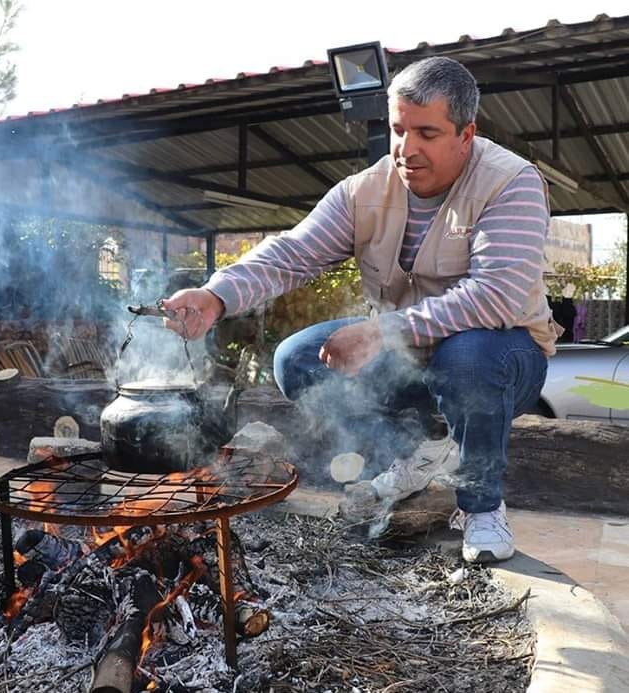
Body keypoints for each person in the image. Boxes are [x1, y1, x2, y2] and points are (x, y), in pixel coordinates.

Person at [161, 56, 561, 564]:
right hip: (413, 352)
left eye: (427, 133)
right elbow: (292, 253)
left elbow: (496, 295)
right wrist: (217, 294)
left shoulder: (510, 183)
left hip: (504, 356)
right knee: (300, 359)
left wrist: (382, 331)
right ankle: (419, 450)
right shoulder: (366, 191)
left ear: (466, 134)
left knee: (467, 357)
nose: (407, 149)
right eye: (398, 130)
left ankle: (481, 507)